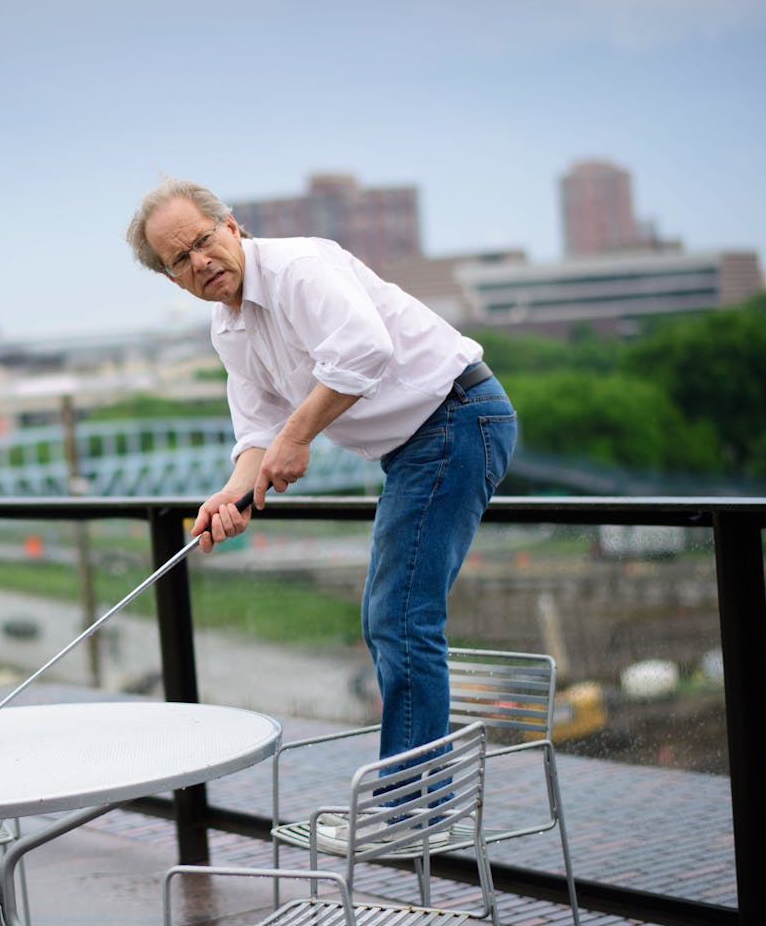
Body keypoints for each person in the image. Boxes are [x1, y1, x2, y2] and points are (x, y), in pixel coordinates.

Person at [125, 176, 517, 773]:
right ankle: (412, 801)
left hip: (457, 418)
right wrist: (233, 493)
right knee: (389, 616)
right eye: (180, 259)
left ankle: (413, 807)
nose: (201, 261)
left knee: (400, 618)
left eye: (203, 240)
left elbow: (365, 349)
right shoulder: (228, 327)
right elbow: (258, 432)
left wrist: (298, 435)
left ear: (231, 224)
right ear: (171, 277)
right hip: (416, 444)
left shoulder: (296, 269)